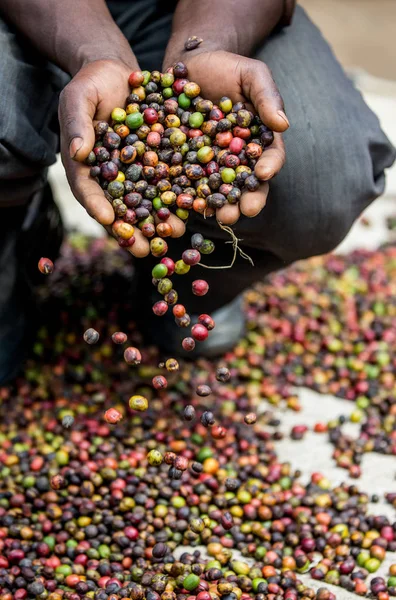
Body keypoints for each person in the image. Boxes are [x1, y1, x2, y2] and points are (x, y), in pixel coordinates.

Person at [0, 0, 395, 383]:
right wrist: (94, 52)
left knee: (322, 176)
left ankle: (184, 287)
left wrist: (210, 44)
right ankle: (18, 221)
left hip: (189, 11)